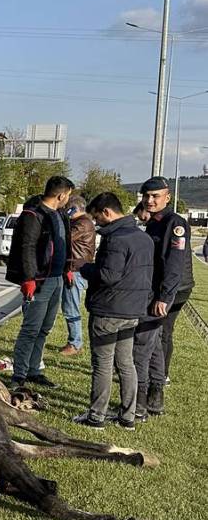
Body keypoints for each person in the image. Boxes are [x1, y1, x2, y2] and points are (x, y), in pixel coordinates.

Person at [72, 193, 154, 430]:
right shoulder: (143, 237)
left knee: (103, 364)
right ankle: (128, 416)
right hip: (133, 311)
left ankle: (96, 416)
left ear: (107, 212)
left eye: (97, 217)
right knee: (126, 363)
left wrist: (84, 267)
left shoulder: (116, 239)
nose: (96, 223)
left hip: (109, 310)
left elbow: (109, 275)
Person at [5, 176, 75, 389]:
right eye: (68, 196)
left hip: (56, 279)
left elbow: (66, 243)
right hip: (39, 281)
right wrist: (28, 279)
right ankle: (19, 375)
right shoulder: (33, 215)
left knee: (45, 328)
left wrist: (68, 268)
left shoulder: (60, 214)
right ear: (61, 195)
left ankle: (34, 369)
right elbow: (27, 248)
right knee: (31, 329)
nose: (68, 200)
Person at [132, 176, 195, 417]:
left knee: (148, 340)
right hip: (164, 289)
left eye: (155, 196)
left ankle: (142, 398)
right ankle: (155, 397)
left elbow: (174, 264)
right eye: (146, 196)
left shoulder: (173, 223)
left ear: (167, 197)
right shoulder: (155, 222)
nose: (150, 200)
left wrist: (164, 297)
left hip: (171, 290)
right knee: (157, 340)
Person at [60, 195, 95, 356]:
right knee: (69, 306)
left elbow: (64, 237)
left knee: (70, 307)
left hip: (75, 270)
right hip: (74, 268)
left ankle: (75, 342)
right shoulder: (81, 222)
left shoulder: (82, 223)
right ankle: (74, 341)